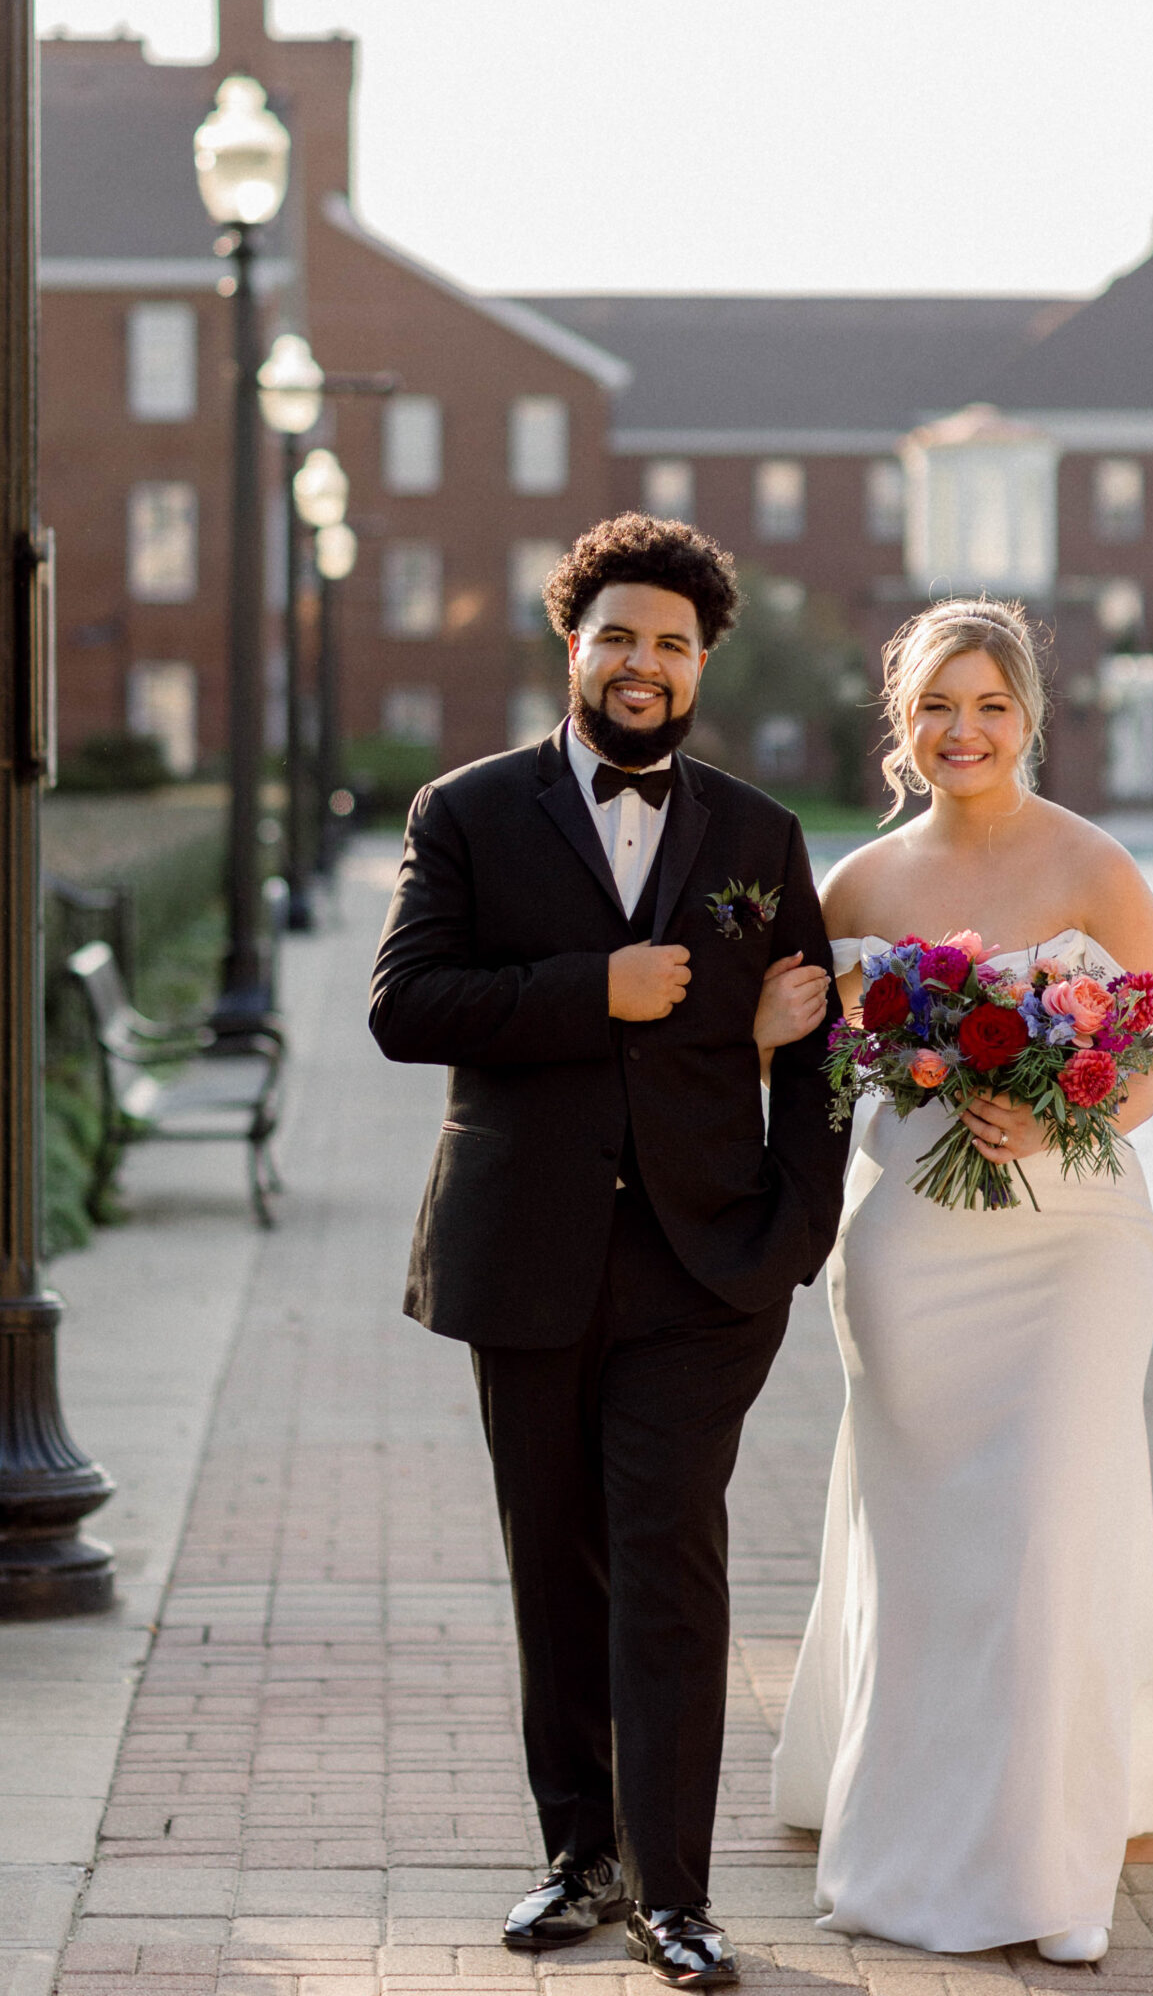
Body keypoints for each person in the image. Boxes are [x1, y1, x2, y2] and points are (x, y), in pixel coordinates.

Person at [766, 598, 1153, 1962]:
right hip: (907, 1251)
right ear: (900, 720)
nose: (963, 730)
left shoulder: (1095, 867)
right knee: (932, 1541)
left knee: (1051, 1526)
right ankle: (910, 1831)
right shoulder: (856, 889)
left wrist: (1077, 1112)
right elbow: (805, 1068)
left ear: (1028, 720)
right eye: (937, 705)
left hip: (1072, 1243)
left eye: (989, 705)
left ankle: (1043, 1868)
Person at [370, 515, 840, 1991]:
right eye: (620, 637)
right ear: (572, 645)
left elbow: (815, 1044)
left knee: (670, 1562)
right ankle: (577, 1859)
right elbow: (408, 1008)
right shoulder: (466, 811)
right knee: (555, 1567)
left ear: (703, 665)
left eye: (674, 645)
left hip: (707, 1271)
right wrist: (601, 989)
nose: (646, 665)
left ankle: (679, 1895)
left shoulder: (758, 833)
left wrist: (790, 1234)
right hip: (527, 1256)